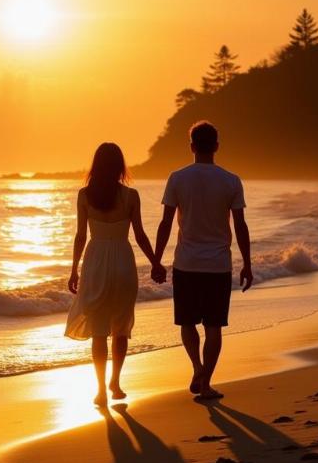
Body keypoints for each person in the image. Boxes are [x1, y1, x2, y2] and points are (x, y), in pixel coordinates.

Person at [153, 121, 252, 401]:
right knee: (213, 327)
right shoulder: (231, 180)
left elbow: (165, 223)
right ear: (217, 147)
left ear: (192, 146)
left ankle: (197, 367)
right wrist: (247, 263)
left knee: (187, 323)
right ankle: (205, 383)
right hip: (218, 265)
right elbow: (241, 226)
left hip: (186, 263)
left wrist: (157, 260)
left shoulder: (177, 178)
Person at [65, 142, 162, 406]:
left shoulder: (85, 195)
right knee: (120, 327)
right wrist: (155, 262)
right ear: (120, 166)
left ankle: (99, 390)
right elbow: (140, 235)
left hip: (95, 263)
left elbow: (81, 236)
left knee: (98, 330)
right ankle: (116, 383)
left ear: (95, 166)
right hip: (122, 262)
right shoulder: (131, 196)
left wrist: (74, 269)